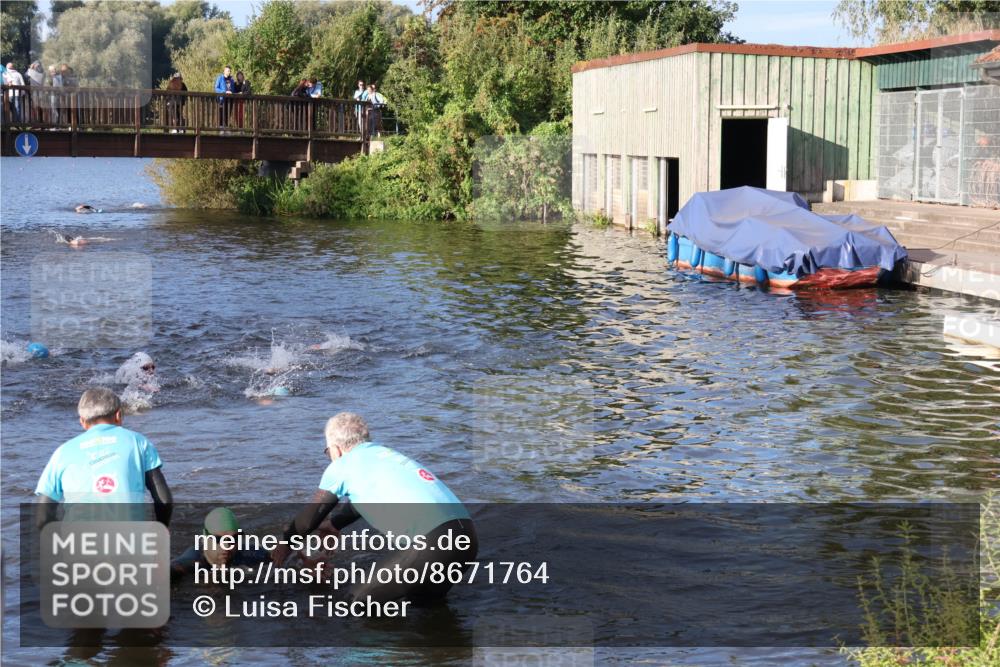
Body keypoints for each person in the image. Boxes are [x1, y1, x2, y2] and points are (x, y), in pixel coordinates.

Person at [272, 412, 477, 603]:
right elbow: (367, 499)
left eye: (328, 452)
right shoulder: (385, 455)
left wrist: (285, 544)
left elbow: (309, 519)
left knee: (357, 602)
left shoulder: (342, 464)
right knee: (425, 608)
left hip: (432, 545)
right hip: (467, 539)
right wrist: (334, 524)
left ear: (336, 449)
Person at [35, 387, 173, 529]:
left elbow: (43, 515)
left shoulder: (62, 452)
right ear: (118, 415)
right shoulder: (138, 442)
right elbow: (164, 500)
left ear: (82, 421)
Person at [171, 508, 269, 579]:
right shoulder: (192, 561)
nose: (226, 546)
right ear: (205, 538)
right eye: (219, 539)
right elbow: (170, 570)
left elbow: (278, 558)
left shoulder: (251, 554)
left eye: (233, 539)